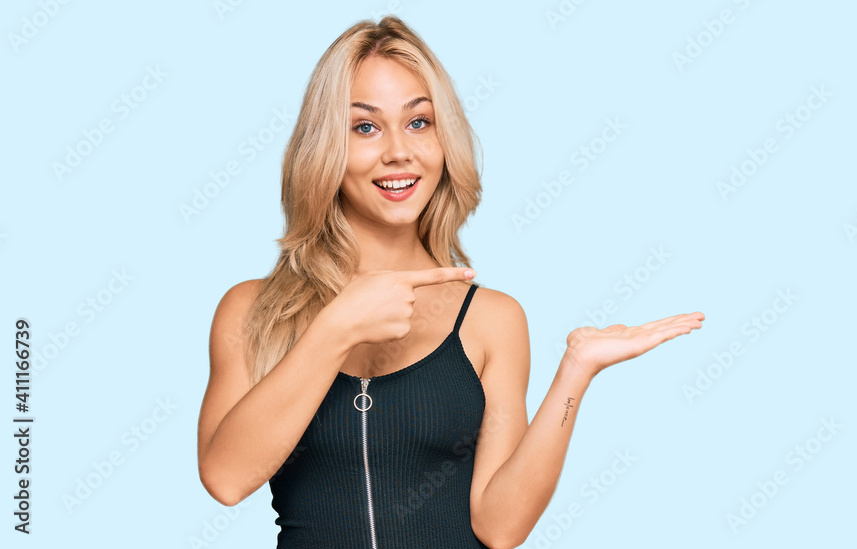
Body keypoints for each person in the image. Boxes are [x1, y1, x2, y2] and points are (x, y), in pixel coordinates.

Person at [196, 15, 704, 549]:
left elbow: (501, 526)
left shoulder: (492, 319)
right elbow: (226, 479)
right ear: (324, 148)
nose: (399, 151)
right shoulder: (252, 310)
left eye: (419, 122)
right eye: (365, 127)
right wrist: (336, 327)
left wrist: (576, 373)